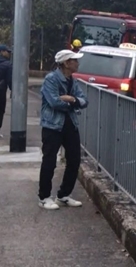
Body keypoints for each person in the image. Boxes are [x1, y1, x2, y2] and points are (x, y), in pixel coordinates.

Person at [38, 49, 89, 210]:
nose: (77, 63)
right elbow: (54, 102)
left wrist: (70, 99)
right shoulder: (51, 79)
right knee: (49, 161)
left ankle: (63, 195)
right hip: (52, 125)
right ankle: (44, 197)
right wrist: (73, 103)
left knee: (74, 160)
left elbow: (84, 101)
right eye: (75, 60)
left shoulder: (72, 81)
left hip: (70, 124)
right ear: (66, 63)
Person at [0, 45, 12, 135]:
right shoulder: (8, 64)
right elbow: (10, 79)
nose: (9, 53)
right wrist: (13, 90)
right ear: (2, 52)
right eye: (7, 52)